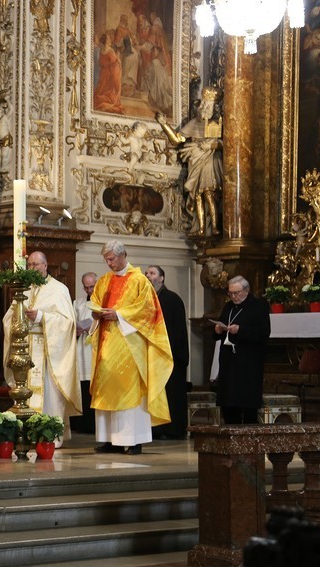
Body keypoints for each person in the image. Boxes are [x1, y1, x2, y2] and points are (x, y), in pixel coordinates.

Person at [89, 240, 172, 455]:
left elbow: (148, 310)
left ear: (123, 254)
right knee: (105, 390)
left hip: (129, 345)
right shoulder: (104, 281)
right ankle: (108, 439)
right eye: (106, 259)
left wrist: (119, 314)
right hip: (106, 342)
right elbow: (95, 302)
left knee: (129, 390)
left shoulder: (139, 281)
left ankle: (133, 440)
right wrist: (96, 313)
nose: (109, 263)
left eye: (112, 259)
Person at [2, 251, 82, 445]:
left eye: (37, 264)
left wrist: (40, 317)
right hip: (26, 349)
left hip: (49, 352)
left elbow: (67, 322)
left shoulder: (59, 289)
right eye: (29, 264)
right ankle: (28, 434)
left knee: (50, 395)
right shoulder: (24, 289)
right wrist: (18, 320)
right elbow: (7, 318)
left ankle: (49, 436)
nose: (33, 268)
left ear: (46, 266)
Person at [156, 86, 222, 237]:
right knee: (197, 194)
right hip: (195, 157)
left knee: (209, 192)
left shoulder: (220, 122)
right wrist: (164, 124)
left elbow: (230, 143)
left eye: (208, 104)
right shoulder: (194, 122)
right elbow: (178, 139)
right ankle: (201, 228)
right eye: (204, 103)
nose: (205, 106)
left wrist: (212, 144)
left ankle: (215, 227)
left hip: (210, 158)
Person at [212, 276, 270, 424]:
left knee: (247, 402)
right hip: (229, 361)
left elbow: (263, 334)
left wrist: (240, 330)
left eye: (236, 293)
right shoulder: (228, 307)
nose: (233, 296)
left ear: (247, 290)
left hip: (248, 362)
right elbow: (220, 328)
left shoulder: (259, 306)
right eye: (230, 293)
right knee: (229, 401)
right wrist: (218, 329)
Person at [144, 265, 189, 439]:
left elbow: (177, 330)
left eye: (152, 273)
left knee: (172, 394)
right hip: (151, 354)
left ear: (162, 278)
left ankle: (173, 430)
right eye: (146, 273)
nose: (148, 276)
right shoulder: (145, 299)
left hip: (171, 355)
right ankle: (155, 428)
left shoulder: (172, 299)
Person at [72, 271, 97, 434]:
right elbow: (72, 322)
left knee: (93, 387)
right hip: (81, 349)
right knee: (82, 386)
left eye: (92, 287)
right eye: (86, 287)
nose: (89, 290)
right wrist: (76, 330)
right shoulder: (78, 303)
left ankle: (93, 424)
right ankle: (81, 424)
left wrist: (92, 327)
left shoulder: (102, 302)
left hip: (94, 348)